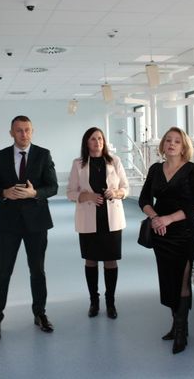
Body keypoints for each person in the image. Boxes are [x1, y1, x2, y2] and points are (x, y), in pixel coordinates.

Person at [0, 115, 58, 341]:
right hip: (9, 224)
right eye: (19, 130)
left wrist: (34, 193)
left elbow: (53, 187)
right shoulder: (0, 156)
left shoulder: (43, 155)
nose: (23, 134)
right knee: (2, 272)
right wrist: (4, 192)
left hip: (37, 223)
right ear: (11, 133)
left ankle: (40, 314)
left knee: (37, 271)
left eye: (27, 130)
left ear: (32, 131)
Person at [138, 126, 194, 354]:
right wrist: (155, 218)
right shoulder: (155, 169)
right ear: (163, 145)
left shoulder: (192, 170)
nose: (172, 144)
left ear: (184, 146)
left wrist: (168, 218)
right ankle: (175, 324)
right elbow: (144, 199)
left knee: (183, 279)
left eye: (177, 141)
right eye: (168, 140)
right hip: (161, 233)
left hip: (184, 231)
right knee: (168, 279)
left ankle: (181, 331)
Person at [66, 127, 128, 319]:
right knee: (91, 260)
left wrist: (116, 193)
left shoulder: (114, 161)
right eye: (93, 139)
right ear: (87, 142)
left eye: (100, 138)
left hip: (111, 218)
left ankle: (110, 302)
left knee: (111, 260)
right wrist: (86, 196)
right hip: (88, 218)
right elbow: (70, 192)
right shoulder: (78, 164)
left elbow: (125, 188)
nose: (97, 142)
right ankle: (94, 301)